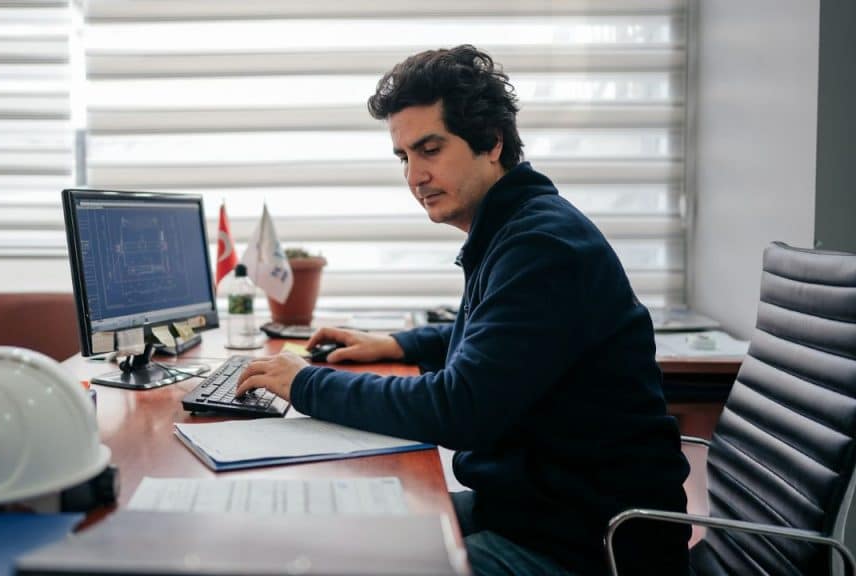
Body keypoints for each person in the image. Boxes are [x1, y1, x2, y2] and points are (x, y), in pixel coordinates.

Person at [236, 44, 690, 576]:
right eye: (404, 157)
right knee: (341, 533)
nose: (414, 177)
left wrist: (305, 383)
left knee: (347, 560)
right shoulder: (515, 226)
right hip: (538, 511)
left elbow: (461, 407)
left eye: (430, 149)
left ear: (491, 143)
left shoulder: (543, 245)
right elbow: (502, 337)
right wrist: (401, 344)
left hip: (589, 546)